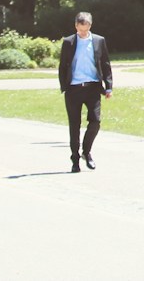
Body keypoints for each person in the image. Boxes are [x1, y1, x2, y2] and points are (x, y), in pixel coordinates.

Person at [57, 11, 113, 173]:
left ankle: (86, 152)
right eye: (80, 29)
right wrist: (64, 86)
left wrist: (108, 86)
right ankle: (75, 159)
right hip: (74, 88)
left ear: (90, 26)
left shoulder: (98, 41)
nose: (83, 32)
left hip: (93, 87)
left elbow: (105, 64)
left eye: (86, 28)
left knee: (95, 121)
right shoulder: (68, 42)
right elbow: (63, 66)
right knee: (74, 125)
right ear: (76, 26)